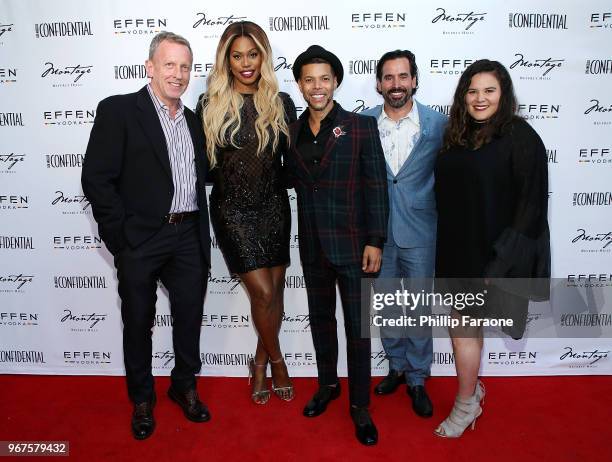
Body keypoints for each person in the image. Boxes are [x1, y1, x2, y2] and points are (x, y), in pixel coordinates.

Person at [82, 31, 211, 440]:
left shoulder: (193, 120)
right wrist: (120, 237)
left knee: (189, 317)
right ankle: (142, 398)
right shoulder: (119, 111)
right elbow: (96, 179)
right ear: (150, 67)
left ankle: (183, 386)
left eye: (185, 67)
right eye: (169, 64)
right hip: (140, 239)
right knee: (138, 322)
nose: (178, 74)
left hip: (188, 233)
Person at [433, 59, 550, 438]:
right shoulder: (458, 134)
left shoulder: (520, 136)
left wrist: (498, 265)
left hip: (490, 256)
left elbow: (531, 207)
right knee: (460, 328)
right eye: (472, 91)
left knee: (463, 328)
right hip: (456, 249)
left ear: (504, 94)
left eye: (489, 90)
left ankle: (466, 404)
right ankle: (472, 390)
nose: (480, 98)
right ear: (463, 96)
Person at [286, 45, 389, 446]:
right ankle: (327, 385)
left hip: (354, 247)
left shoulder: (361, 126)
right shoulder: (290, 130)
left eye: (324, 78)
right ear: (299, 84)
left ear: (336, 82)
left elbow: (376, 186)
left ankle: (360, 405)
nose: (317, 86)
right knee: (321, 324)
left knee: (358, 331)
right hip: (312, 245)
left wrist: (375, 240)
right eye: (309, 79)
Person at [196, 21, 297, 405]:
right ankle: (278, 361)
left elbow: (291, 163)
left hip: (273, 207)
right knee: (264, 291)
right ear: (226, 59)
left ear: (263, 56)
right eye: (236, 56)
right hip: (231, 211)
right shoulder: (210, 103)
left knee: (275, 295)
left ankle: (258, 362)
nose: (245, 63)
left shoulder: (280, 101)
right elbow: (201, 165)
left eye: (252, 54)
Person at [362, 50, 447, 418]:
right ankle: (396, 366)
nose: (396, 84)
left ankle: (417, 377)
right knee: (387, 307)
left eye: (403, 77)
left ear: (414, 80)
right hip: (378, 232)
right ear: (379, 83)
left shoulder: (438, 124)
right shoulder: (363, 123)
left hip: (421, 230)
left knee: (417, 309)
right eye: (388, 78)